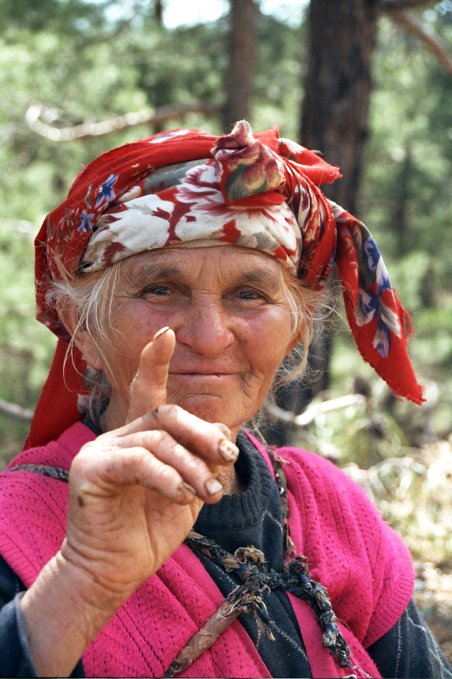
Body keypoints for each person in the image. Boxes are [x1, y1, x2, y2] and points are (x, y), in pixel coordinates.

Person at [0, 120, 449, 679]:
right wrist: (81, 582)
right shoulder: (14, 525)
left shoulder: (329, 509)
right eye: (160, 289)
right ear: (80, 327)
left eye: (248, 293)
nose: (210, 337)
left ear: (297, 325)